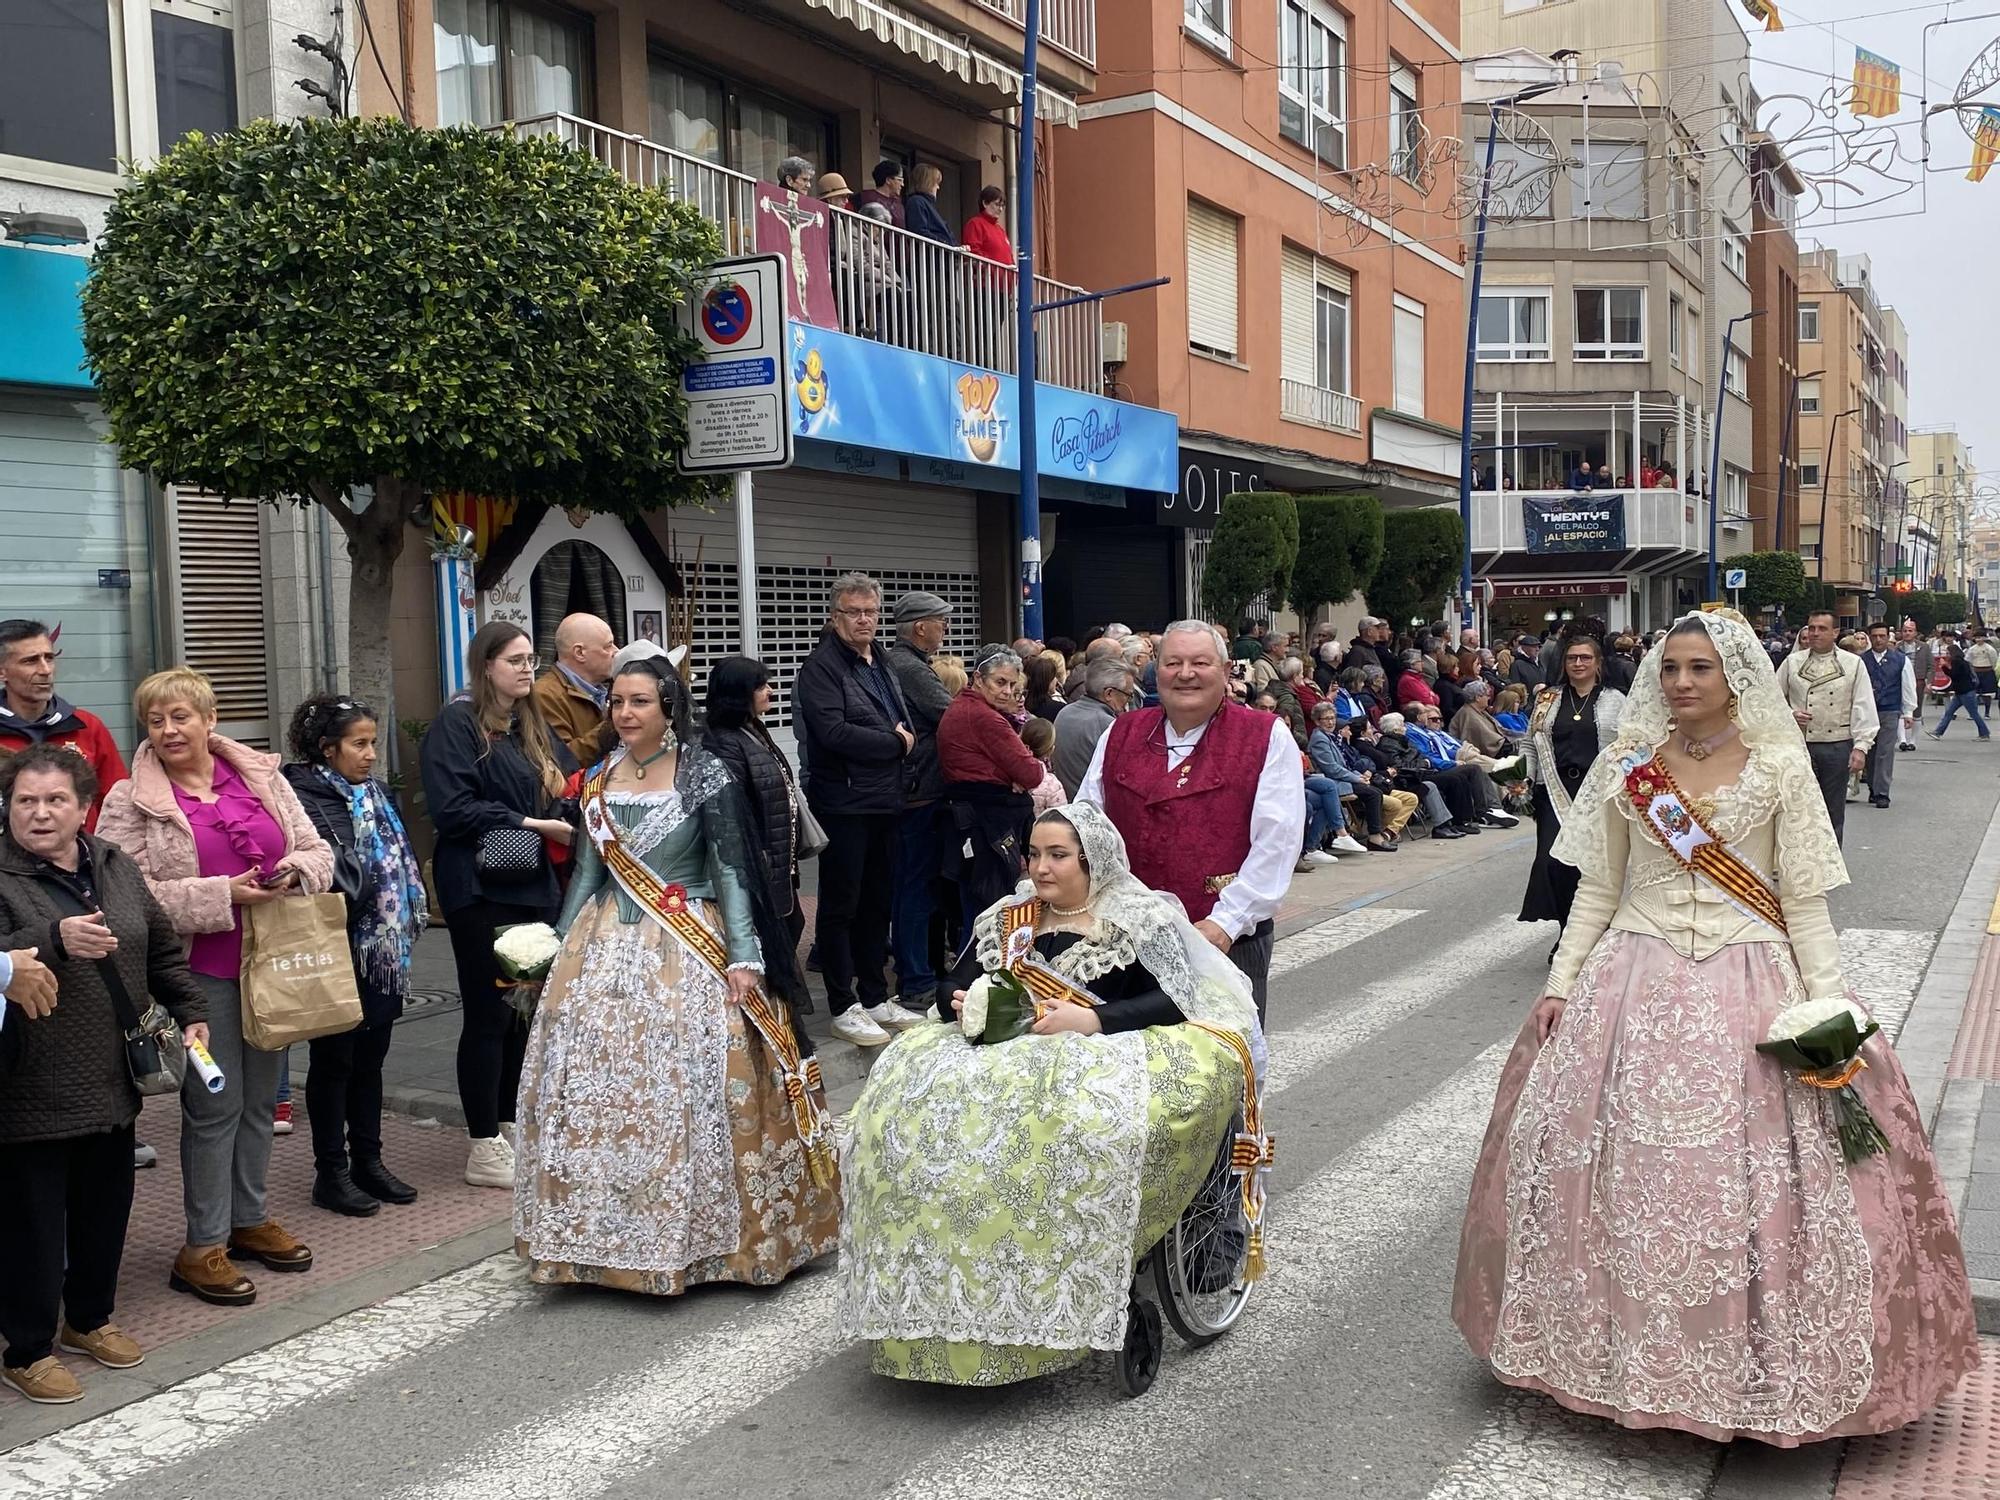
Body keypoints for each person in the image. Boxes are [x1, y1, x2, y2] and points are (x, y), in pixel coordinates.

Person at [1454, 609, 1978, 1444]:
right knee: (1612, 1176)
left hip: (1751, 978)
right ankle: (1613, 1353)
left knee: (1763, 1187)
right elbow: (1599, 886)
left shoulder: (1778, 766)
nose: (1683, 683)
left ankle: (1756, 1368)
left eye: (1700, 669)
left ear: (1735, 680)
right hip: (1635, 974)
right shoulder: (1633, 766)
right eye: (1671, 669)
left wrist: (1828, 1008)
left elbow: (1801, 898)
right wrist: (1561, 983)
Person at [837, 803, 1266, 1384]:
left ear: (1093, 862)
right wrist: (958, 1004)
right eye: (1034, 854)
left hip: (1102, 1049)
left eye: (1057, 856)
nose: (1040, 868)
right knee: (908, 1126)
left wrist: (1092, 1021)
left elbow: (1174, 1000)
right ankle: (939, 1297)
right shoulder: (1010, 916)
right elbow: (952, 981)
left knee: (1054, 1139)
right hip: (998, 1057)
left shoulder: (1137, 917)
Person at [514, 656, 838, 1297]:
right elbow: (586, 873)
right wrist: (553, 946)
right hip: (603, 946)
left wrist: (745, 956)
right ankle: (599, 1238)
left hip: (689, 939)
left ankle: (710, 1242)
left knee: (694, 1088)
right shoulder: (600, 780)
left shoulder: (703, 774)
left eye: (638, 702)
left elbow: (730, 871)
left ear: (668, 708)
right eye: (617, 703)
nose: (625, 714)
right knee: (600, 1090)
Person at [96, 668, 334, 1307]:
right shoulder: (129, 798)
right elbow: (124, 897)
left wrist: (293, 871)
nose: (169, 730)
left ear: (210, 718)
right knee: (213, 1107)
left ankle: (248, 1219)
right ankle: (202, 1246)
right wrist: (219, 894)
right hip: (197, 976)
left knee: (261, 1102)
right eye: (155, 720)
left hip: (271, 964)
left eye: (180, 716)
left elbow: (318, 850)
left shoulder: (261, 777)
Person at [0, 747, 206, 1404]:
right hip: (27, 1085)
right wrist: (53, 937)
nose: (39, 813)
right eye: (25, 800)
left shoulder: (113, 866)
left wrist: (191, 1011)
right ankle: (27, 1348)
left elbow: (160, 948)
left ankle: (89, 1318)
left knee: (103, 1209)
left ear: (83, 806)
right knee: (32, 1226)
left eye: (54, 800)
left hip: (110, 1078)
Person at [1078, 620, 1305, 1021]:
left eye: (1200, 662)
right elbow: (1087, 825)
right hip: (1126, 938)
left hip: (1224, 939)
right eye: (1172, 663)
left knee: (1219, 1068)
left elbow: (1278, 840)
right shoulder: (1121, 732)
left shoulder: (1265, 735)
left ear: (1225, 669)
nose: (1185, 674)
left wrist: (1226, 922)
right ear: (1154, 672)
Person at [418, 623, 578, 1189]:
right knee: (487, 1015)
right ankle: (481, 1143)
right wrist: (531, 822)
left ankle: (506, 1124)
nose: (526, 669)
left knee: (519, 1014)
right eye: (514, 660)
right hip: (481, 890)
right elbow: (453, 809)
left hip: (532, 886)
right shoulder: (457, 723)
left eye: (531, 659)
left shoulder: (528, 724)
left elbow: (567, 785)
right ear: (486, 664)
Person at [281, 695, 428, 1218]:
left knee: (372, 1059)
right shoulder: (301, 797)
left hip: (380, 951)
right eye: (358, 744)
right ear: (327, 749)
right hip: (333, 945)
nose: (369, 755)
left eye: (373, 743)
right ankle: (331, 1172)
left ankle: (368, 1160)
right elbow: (330, 876)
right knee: (334, 1062)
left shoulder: (376, 795)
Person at [793, 573, 924, 1048]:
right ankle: (842, 1002)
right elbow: (832, 733)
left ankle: (874, 995)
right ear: (835, 616)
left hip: (886, 798)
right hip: (845, 801)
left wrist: (900, 737)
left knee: (877, 902)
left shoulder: (881, 660)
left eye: (870, 611)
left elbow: (900, 716)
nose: (863, 620)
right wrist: (893, 741)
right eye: (853, 612)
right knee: (841, 904)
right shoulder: (821, 668)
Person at [701, 657, 812, 1042]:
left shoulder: (752, 730)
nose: (770, 692)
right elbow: (737, 809)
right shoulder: (723, 741)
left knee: (789, 925)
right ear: (738, 693)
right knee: (773, 935)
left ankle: (777, 1014)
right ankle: (766, 1018)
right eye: (760, 686)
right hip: (758, 861)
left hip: (777, 858)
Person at [1518, 633, 1626, 944]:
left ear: (1598, 663)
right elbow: (1530, 742)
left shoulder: (1615, 700)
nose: (1578, 663)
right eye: (1571, 658)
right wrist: (1524, 776)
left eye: (1585, 658)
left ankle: (1591, 933)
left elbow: (1628, 744)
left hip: (1598, 792)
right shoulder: (1547, 699)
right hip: (1554, 789)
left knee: (1589, 866)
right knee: (1553, 863)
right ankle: (1567, 931)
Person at [879, 592, 956, 1021]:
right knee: (915, 888)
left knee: (915, 887)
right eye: (940, 623)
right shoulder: (910, 667)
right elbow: (951, 714)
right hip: (919, 791)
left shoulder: (904, 664)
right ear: (920, 627)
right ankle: (916, 980)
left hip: (915, 790)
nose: (945, 630)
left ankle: (919, 973)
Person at [938, 646, 1046, 925]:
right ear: (978, 679)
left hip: (970, 821)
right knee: (990, 915)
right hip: (988, 826)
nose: (1008, 691)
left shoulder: (963, 706)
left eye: (1012, 684)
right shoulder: (984, 717)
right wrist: (1015, 772)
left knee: (975, 910)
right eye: (1000, 682)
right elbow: (1033, 773)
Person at [0, 619, 128, 832]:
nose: (45, 670)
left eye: (49, 658)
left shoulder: (86, 726)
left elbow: (119, 804)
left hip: (83, 859)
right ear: (2, 672)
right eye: (30, 661)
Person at [1775, 610, 1876, 843]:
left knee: (1832, 810)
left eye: (1821, 629)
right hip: (1799, 746)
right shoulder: (1792, 662)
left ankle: (1830, 867)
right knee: (1797, 809)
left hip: (1837, 745)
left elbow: (1863, 705)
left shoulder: (1853, 664)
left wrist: (1861, 747)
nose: (1815, 633)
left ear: (1835, 632)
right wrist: (1790, 714)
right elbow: (1771, 699)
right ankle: (1799, 863)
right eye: (1811, 628)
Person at [530, 613, 618, 769]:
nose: (616, 651)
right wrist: (614, 725)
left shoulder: (611, 688)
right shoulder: (544, 695)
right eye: (608, 646)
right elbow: (561, 760)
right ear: (579, 653)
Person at [1306, 703, 1395, 854]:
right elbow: (1332, 769)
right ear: (1317, 721)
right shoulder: (1319, 739)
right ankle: (1374, 837)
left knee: (1374, 791)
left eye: (1332, 718)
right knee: (1373, 794)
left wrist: (1358, 775)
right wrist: (1356, 778)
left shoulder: (1328, 736)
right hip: (1331, 781)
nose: (1331, 722)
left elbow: (1342, 765)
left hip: (1341, 778)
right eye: (1326, 719)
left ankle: (1373, 834)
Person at [1051, 656, 1132, 800]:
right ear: (1109, 694)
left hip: (1067, 806)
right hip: (1092, 810)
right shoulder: (1109, 725)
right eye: (1128, 695)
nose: (1128, 701)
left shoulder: (1065, 712)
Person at [1859, 622, 1916, 808]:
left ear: (1888, 637)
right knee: (1870, 751)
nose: (1878, 640)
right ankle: (1873, 788)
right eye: (1874, 636)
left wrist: (1908, 712)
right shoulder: (1861, 661)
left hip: (1889, 710)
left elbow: (1908, 685)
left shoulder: (1900, 660)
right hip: (1866, 712)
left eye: (1882, 636)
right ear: (1869, 637)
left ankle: (1883, 792)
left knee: (1885, 751)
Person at [1930, 642, 1991, 741]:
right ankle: (1938, 732)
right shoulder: (1962, 661)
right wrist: (1945, 667)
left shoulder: (1957, 661)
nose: (1947, 655)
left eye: (1948, 653)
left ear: (1953, 653)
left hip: (1966, 692)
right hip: (1960, 692)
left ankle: (1984, 733)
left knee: (1974, 714)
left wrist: (1945, 666)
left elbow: (1954, 675)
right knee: (1949, 712)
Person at [1899, 619, 1933, 747]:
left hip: (1918, 681)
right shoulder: (1897, 647)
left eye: (1910, 631)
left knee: (1916, 710)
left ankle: (1912, 741)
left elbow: (1931, 666)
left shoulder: (1924, 647)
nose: (1907, 633)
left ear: (1915, 633)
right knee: (1900, 710)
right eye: (1905, 631)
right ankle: (1902, 740)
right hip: (1900, 681)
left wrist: (1929, 682)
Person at [961, 184, 1012, 265]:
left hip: (1003, 277)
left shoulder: (1000, 230)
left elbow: (1010, 258)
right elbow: (974, 254)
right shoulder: (975, 224)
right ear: (985, 203)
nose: (1000, 209)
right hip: (988, 276)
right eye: (997, 204)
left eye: (1002, 206)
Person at [903, 164, 953, 246]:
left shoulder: (927, 204)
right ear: (928, 183)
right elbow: (919, 231)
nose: (938, 187)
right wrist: (943, 243)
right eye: (936, 183)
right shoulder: (916, 202)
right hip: (928, 256)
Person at [853, 159, 905, 227]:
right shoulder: (864, 197)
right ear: (888, 180)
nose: (902, 184)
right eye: (899, 180)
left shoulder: (899, 202)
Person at [1023, 651, 1066, 725]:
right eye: (1053, 677)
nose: (1056, 680)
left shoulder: (1019, 704)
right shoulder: (1059, 709)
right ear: (1046, 681)